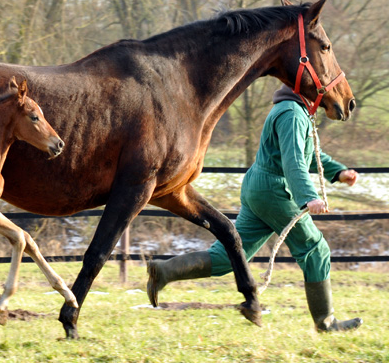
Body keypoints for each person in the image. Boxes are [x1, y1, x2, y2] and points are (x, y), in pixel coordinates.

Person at [147, 85, 362, 332]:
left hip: (259, 187)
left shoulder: (297, 111)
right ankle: (326, 323)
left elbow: (308, 154)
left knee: (228, 256)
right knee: (315, 249)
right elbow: (293, 161)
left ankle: (163, 271)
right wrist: (308, 197)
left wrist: (338, 171)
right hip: (273, 190)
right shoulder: (292, 113)